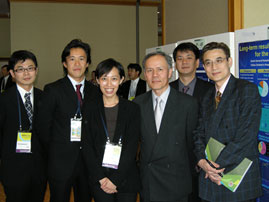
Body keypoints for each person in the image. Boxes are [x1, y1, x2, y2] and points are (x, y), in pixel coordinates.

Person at [194, 42, 262, 202]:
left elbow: (246, 137)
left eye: (219, 60)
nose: (214, 67)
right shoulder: (206, 96)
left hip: (237, 178)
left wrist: (213, 167)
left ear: (229, 61)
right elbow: (198, 133)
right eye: (208, 63)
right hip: (209, 179)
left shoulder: (246, 90)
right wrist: (201, 161)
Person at [36, 39, 100, 202]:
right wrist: (55, 154)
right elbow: (43, 128)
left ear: (88, 63)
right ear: (65, 63)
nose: (77, 63)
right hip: (60, 162)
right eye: (72, 59)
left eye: (82, 58)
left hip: (88, 163)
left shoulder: (96, 92)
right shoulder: (53, 90)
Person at [134, 52, 198, 202]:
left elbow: (192, 145)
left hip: (176, 182)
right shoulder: (137, 104)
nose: (155, 75)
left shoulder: (188, 104)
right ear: (145, 74)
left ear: (170, 72)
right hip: (148, 182)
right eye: (150, 70)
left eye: (160, 69)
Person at [82, 58, 140, 202]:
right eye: (104, 79)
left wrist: (116, 179)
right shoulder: (89, 109)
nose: (109, 84)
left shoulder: (132, 109)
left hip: (126, 177)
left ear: (121, 79)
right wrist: (101, 178)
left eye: (114, 79)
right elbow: (86, 146)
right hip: (99, 179)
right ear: (97, 80)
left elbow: (132, 147)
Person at [0, 50, 46, 202]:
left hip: (39, 169)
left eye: (30, 68)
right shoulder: (4, 100)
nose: (26, 73)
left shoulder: (45, 98)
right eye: (21, 69)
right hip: (13, 170)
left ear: (36, 70)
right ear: (13, 73)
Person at [170, 42, 214, 202]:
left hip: (200, 162)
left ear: (197, 63)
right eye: (180, 58)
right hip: (172, 162)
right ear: (175, 64)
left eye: (189, 58)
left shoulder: (210, 90)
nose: (184, 62)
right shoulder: (166, 90)